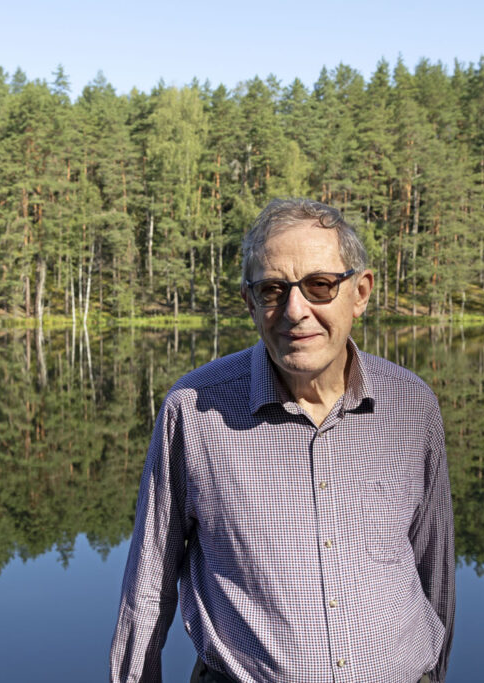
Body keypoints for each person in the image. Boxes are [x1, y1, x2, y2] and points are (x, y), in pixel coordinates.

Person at [109, 198, 454, 683]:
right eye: (273, 289)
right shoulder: (194, 409)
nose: (296, 310)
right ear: (250, 302)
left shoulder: (412, 405)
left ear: (360, 292)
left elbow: (433, 572)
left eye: (320, 285)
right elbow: (148, 588)